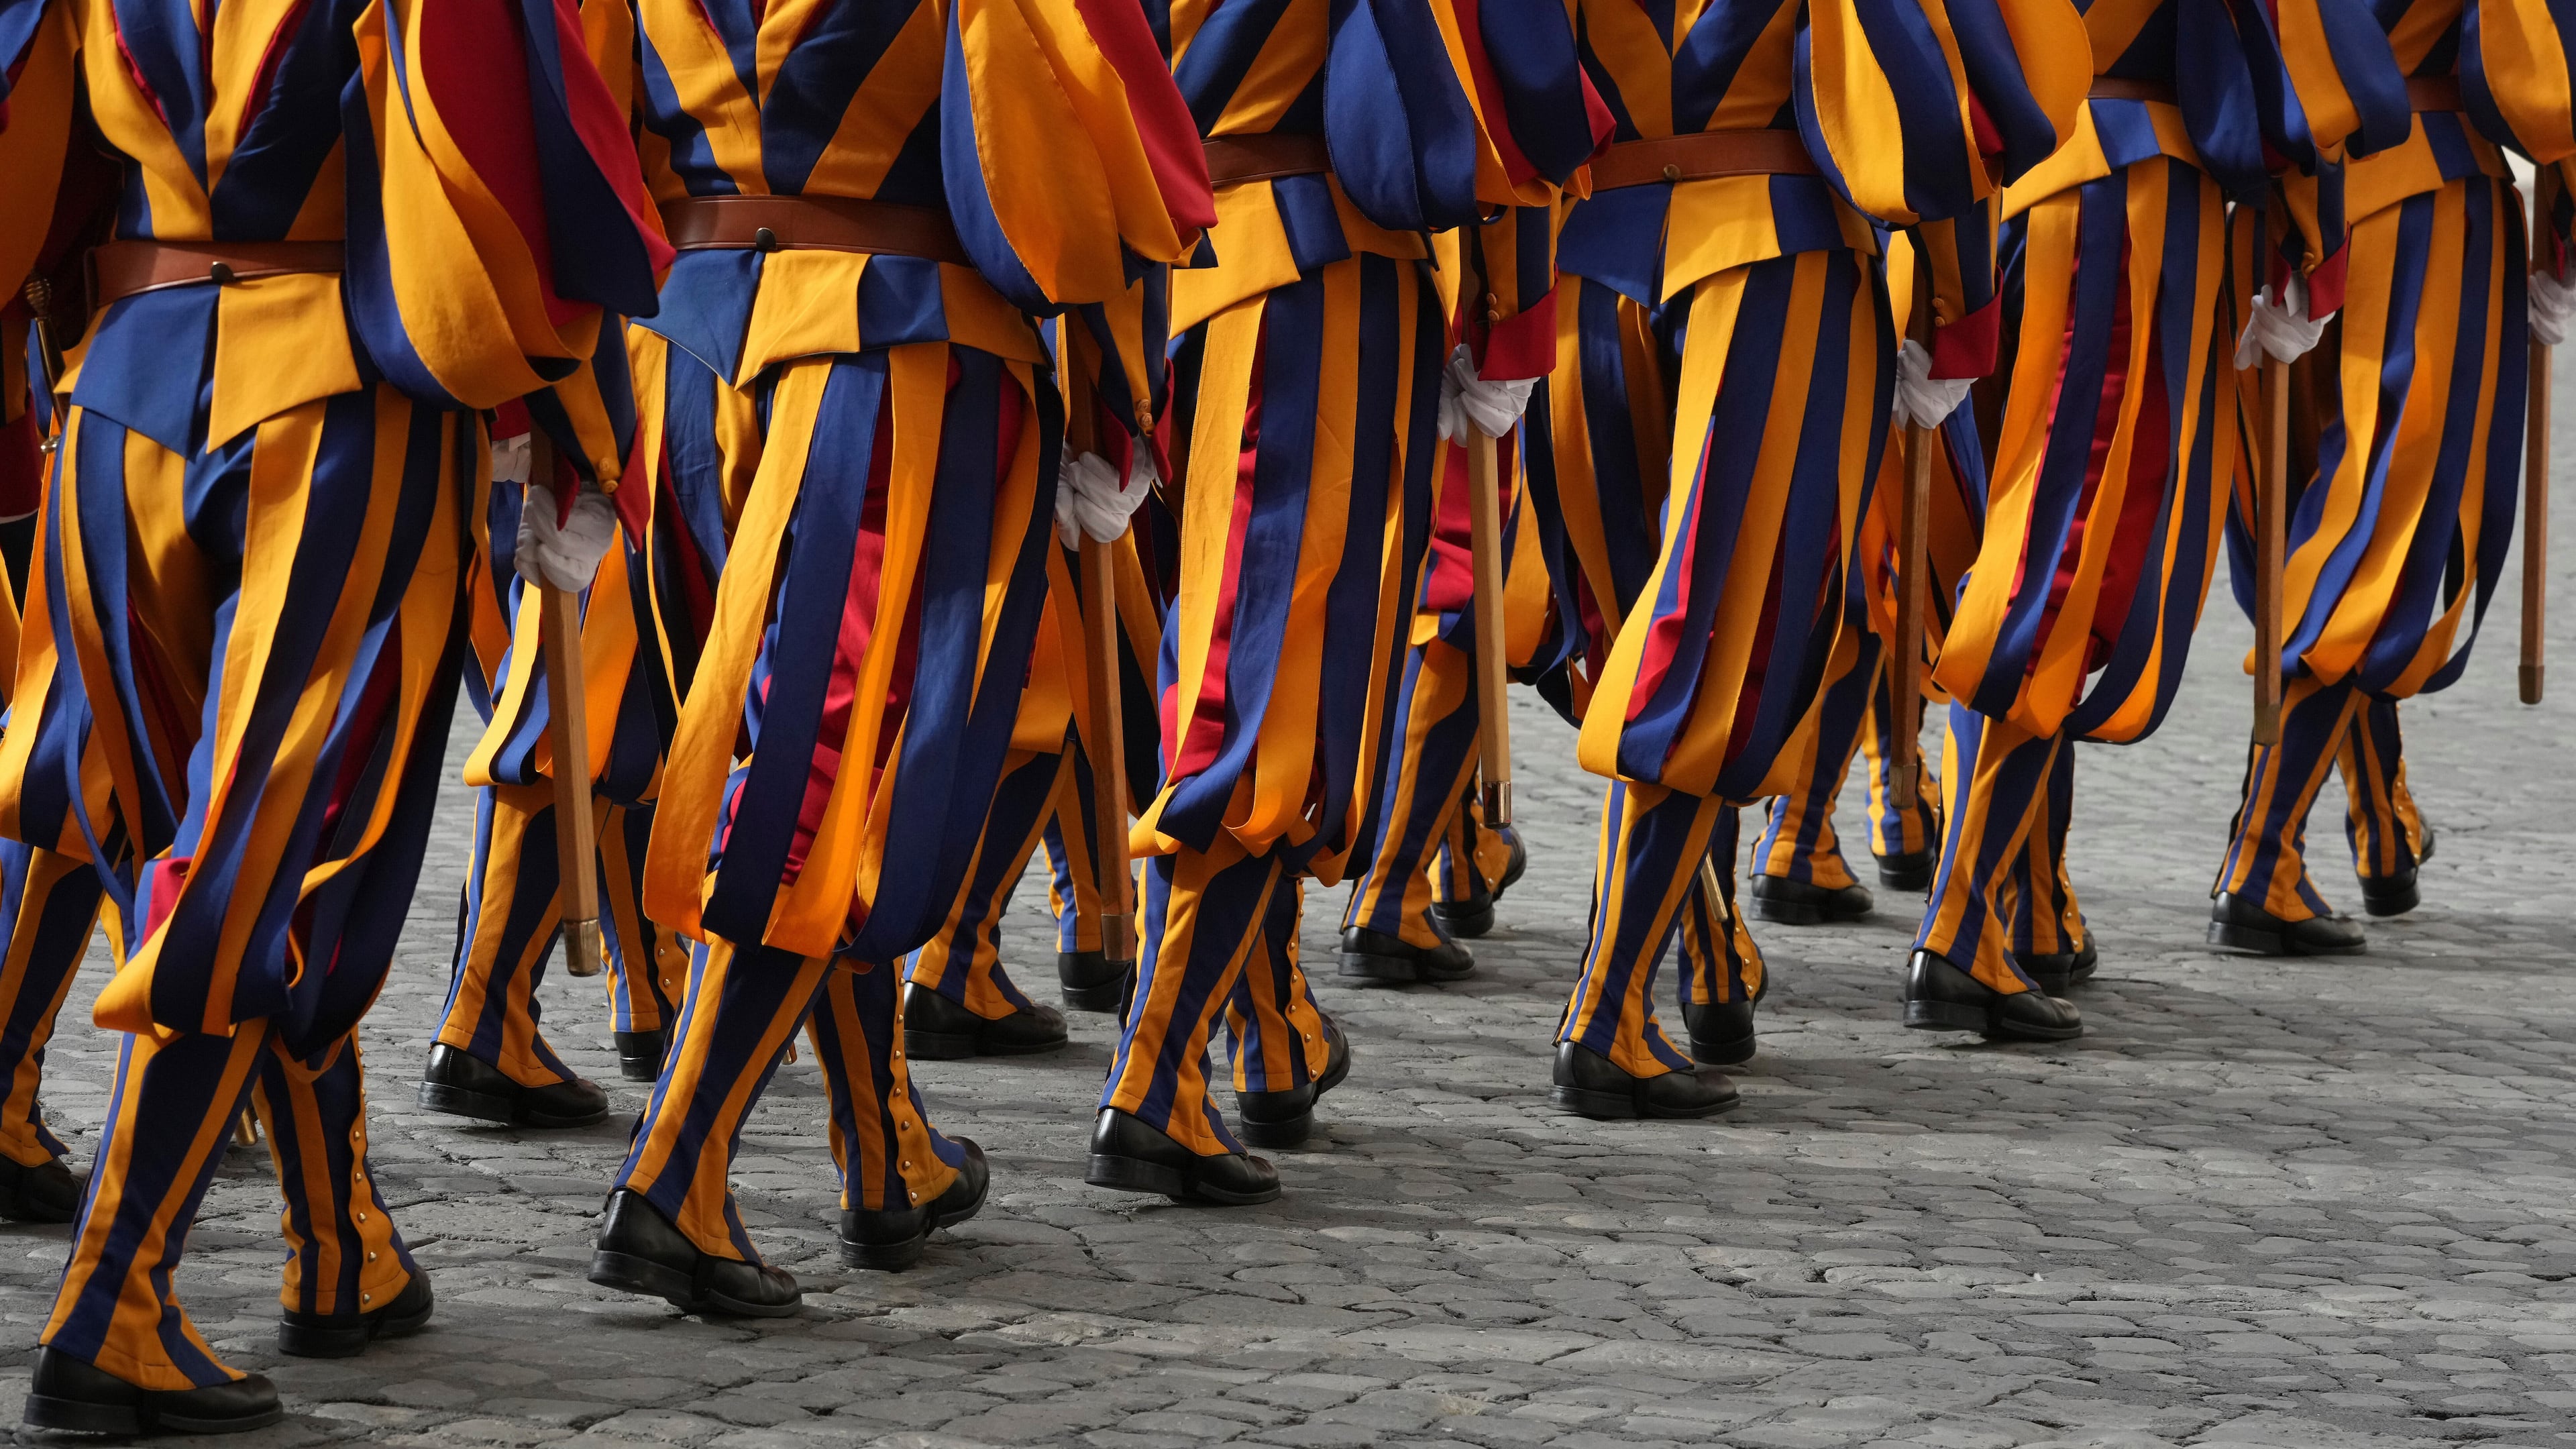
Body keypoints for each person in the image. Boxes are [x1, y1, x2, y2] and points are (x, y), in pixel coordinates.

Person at [0, 0, 667, 1430]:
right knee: (269, 862)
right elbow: (504, 153)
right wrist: (575, 421)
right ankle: (118, 1302)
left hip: (122, 389)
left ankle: (339, 1238)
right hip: (338, 402)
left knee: (228, 849)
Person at [589, 0, 1212, 1309]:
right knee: (821, 780)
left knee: (809, 761)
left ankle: (885, 1151)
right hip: (880, 355)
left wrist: (571, 401)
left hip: (689, 354)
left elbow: (589, 133)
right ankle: (679, 1171)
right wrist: (1114, 393)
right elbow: (1061, 137)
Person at [1089, 0, 1603, 1199]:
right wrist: (1511, 315)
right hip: (1324, 272)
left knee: (1231, 672)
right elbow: (1510, 73)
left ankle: (1268, 1033)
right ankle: (1155, 1080)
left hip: (1186, 271)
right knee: (1275, 706)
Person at [1538, 0, 2086, 1112]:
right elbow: (1923, 74)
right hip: (1769, 254)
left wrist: (1491, 303)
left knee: (1654, 634)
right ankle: (1608, 1009)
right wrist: (1958, 300)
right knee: (1719, 647)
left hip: (1583, 269)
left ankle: (1707, 952)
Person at [1912, 0, 2410, 1036]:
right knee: (2061, 574)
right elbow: (2295, 41)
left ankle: (2026, 907)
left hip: (2001, 194)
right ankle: (1962, 923)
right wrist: (2309, 241)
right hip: (2128, 198)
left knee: (2027, 556)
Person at [2210, 0, 2539, 955]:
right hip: (2428, 194)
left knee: (2333, 531)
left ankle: (2380, 821)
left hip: (2284, 204)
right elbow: (2539, 75)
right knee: (2382, 540)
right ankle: (2262, 856)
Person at [420, 396, 680, 1125]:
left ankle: (648, 990)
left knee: (625, 731)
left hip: (526, 417)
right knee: (571, 723)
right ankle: (485, 1020)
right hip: (600, 412)